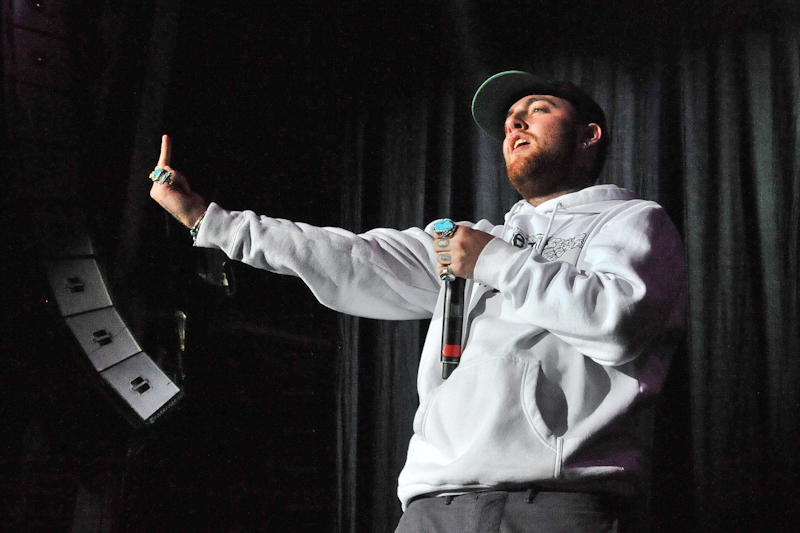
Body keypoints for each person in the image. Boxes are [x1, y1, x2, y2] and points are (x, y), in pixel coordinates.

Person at [149, 71, 687, 532]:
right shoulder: (471, 239)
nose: (514, 125)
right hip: (433, 506)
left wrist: (496, 262)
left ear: (589, 134)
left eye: (537, 111)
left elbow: (619, 323)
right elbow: (348, 256)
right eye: (509, 122)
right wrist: (207, 220)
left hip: (551, 501)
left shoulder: (633, 222)